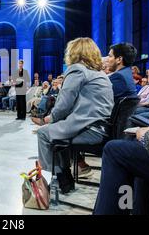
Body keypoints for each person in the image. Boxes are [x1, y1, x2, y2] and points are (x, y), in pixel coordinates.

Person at [33, 38, 114, 193]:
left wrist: (49, 119)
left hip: (89, 129)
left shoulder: (77, 69)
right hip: (101, 127)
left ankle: (58, 178)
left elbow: (64, 104)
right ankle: (65, 178)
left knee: (44, 133)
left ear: (73, 52)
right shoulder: (99, 73)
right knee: (55, 132)